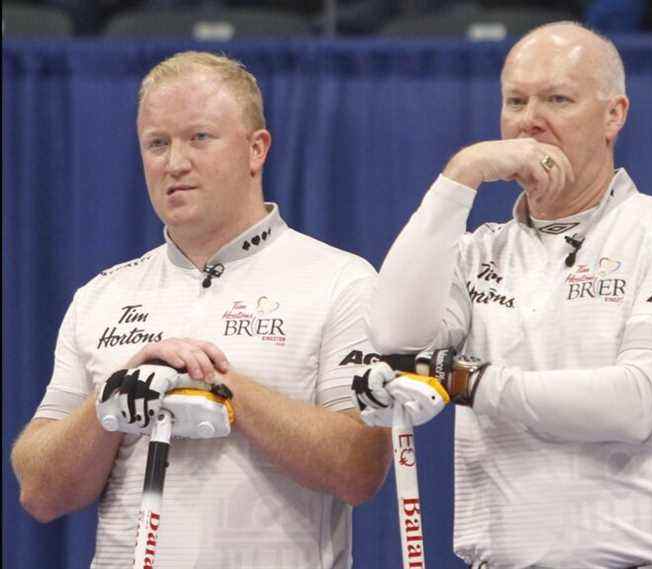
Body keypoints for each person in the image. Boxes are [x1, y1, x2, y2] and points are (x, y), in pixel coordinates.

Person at [358, 21, 652, 569]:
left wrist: (467, 381)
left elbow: (633, 404)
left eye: (557, 99)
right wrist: (460, 176)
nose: (529, 121)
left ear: (615, 115)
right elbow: (395, 335)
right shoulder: (478, 252)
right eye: (515, 101)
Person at [10, 51, 391, 568]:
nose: (175, 162)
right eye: (157, 143)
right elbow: (40, 491)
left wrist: (218, 385)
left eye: (199, 138)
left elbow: (360, 467)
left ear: (257, 149)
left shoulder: (340, 280)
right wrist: (112, 399)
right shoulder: (101, 296)